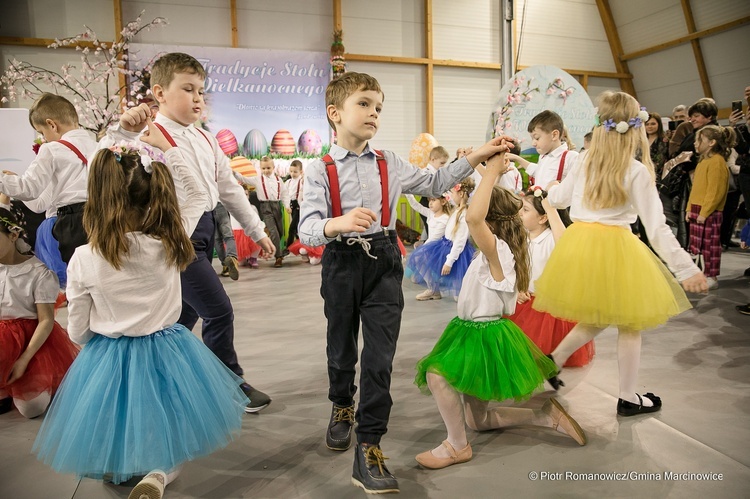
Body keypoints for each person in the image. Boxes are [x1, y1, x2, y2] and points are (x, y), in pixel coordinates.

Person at [298, 71, 509, 494]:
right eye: (364, 104)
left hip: (384, 263)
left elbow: (435, 182)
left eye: (378, 106)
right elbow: (306, 230)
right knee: (341, 347)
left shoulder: (389, 162)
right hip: (340, 262)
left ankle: (369, 445)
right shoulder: (317, 169)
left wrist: (479, 154)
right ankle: (342, 404)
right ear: (334, 113)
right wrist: (337, 224)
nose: (374, 112)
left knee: (379, 358)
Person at [33, 123, 249, 499]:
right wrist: (169, 149)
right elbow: (199, 195)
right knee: (168, 416)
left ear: (96, 199)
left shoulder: (85, 258)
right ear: (154, 195)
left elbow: (78, 329)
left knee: (118, 415)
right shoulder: (171, 244)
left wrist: (96, 341)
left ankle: (123, 463)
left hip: (110, 350)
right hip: (168, 347)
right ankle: (161, 471)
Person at [103, 52, 274, 413]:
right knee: (218, 311)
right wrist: (123, 132)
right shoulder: (145, 135)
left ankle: (163, 381)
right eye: (188, 89)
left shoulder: (207, 139)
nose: (198, 98)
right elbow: (104, 162)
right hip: (172, 238)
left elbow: (228, 189)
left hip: (206, 231)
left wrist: (257, 231)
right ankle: (229, 383)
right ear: (159, 93)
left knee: (181, 318)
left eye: (201, 90)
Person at [533, 91, 708, 417]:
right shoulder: (636, 171)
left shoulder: (584, 160)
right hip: (616, 249)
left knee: (598, 316)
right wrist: (687, 270)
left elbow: (559, 199)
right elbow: (657, 229)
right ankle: (628, 397)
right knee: (629, 324)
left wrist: (545, 191)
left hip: (579, 246)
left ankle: (552, 362)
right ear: (636, 127)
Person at [413, 155, 586, 471]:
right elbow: (493, 207)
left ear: (491, 223)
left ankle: (456, 445)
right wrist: (489, 172)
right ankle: (543, 413)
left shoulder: (497, 251)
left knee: (438, 376)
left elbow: (473, 218)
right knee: (476, 420)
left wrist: (491, 172)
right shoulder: (500, 248)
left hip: (483, 332)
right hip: (472, 328)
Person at [0, 195, 78, 418]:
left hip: (30, 341)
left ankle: (38, 382)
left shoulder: (38, 272)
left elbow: (45, 320)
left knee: (32, 408)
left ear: (13, 235)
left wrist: (24, 359)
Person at [0, 93, 97, 263]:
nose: (43, 139)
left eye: (42, 132)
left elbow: (29, 189)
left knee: (75, 275)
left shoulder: (52, 149)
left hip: (73, 221)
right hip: (103, 215)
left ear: (51, 125)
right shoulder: (100, 147)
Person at [508, 187, 594, 367]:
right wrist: (519, 289)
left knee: (540, 353)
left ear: (543, 218)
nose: (520, 213)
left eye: (525, 210)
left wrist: (549, 206)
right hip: (526, 302)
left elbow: (564, 241)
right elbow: (517, 270)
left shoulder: (551, 239)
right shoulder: (522, 239)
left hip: (548, 309)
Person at [407, 178, 476, 301]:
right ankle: (433, 289)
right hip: (444, 245)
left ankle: (469, 299)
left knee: (458, 295)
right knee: (420, 258)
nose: (451, 195)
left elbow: (459, 241)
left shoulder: (463, 214)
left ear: (460, 194)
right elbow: (446, 195)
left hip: (455, 251)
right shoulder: (457, 209)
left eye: (453, 193)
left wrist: (449, 262)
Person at [686, 125, 736, 290]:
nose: (695, 143)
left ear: (712, 142)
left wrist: (705, 212)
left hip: (709, 212)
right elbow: (695, 189)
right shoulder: (702, 161)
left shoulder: (717, 162)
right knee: (696, 246)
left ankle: (711, 275)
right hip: (696, 209)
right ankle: (700, 273)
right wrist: (688, 209)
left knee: (710, 246)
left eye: (699, 140)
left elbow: (715, 192)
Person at [236, 156, 289, 268]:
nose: (266, 171)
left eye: (268, 168)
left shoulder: (279, 180)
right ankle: (278, 257)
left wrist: (287, 206)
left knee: (280, 232)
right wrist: (233, 173)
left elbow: (284, 194)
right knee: (273, 232)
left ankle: (280, 251)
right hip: (265, 207)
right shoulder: (257, 179)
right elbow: (244, 179)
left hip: (277, 206)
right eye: (263, 168)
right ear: (260, 168)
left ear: (273, 167)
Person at [508, 110, 579, 189]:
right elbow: (538, 172)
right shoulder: (543, 157)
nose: (533, 143)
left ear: (554, 135)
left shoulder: (572, 157)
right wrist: (516, 158)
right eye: (532, 139)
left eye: (537, 138)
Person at [417, 146, 450, 239]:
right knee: (431, 230)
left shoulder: (438, 172)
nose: (443, 166)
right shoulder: (425, 173)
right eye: (441, 163)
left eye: (444, 163)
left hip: (438, 202)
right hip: (427, 201)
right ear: (433, 159)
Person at [214, 202, 240, 280]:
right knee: (228, 236)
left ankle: (225, 266)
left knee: (216, 240)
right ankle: (232, 257)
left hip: (208, 208)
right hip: (221, 206)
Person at [285, 159, 304, 246]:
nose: (292, 174)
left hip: (299, 206)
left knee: (292, 227)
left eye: (295, 172)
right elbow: (285, 194)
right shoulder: (288, 182)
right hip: (292, 205)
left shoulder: (302, 181)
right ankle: (299, 245)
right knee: (296, 227)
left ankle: (289, 246)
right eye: (291, 171)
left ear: (301, 171)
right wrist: (287, 205)